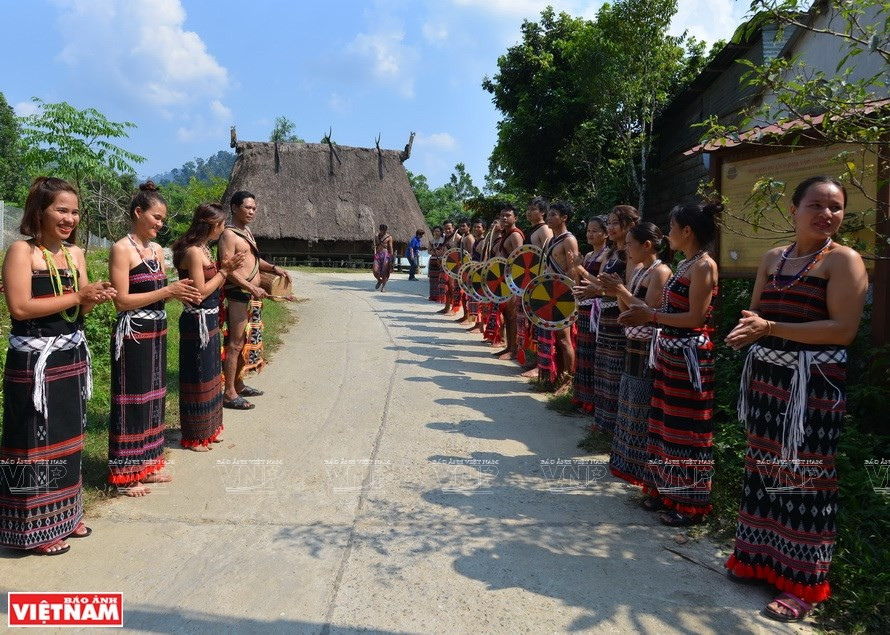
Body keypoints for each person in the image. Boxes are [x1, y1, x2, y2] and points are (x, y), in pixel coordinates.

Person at [723, 177, 866, 623]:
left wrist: (769, 330)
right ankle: (760, 559)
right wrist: (748, 331)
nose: (827, 214)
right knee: (765, 467)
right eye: (817, 205)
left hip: (814, 387)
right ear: (794, 208)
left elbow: (843, 329)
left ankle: (801, 582)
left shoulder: (844, 260)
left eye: (836, 207)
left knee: (806, 476)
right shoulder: (773, 259)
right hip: (768, 381)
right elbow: (757, 316)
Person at [0, 177, 117, 555]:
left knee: (67, 437)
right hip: (34, 361)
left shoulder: (75, 254)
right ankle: (31, 528)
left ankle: (66, 514)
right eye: (61, 210)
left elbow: (78, 307)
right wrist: (79, 294)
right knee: (32, 441)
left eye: (75, 211)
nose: (70, 218)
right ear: (40, 211)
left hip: (69, 356)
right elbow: (19, 308)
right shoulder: (21, 252)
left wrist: (94, 297)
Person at [619, 201, 720, 527]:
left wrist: (650, 315)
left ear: (687, 231)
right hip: (671, 354)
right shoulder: (686, 264)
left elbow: (695, 317)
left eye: (673, 227)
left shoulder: (704, 266)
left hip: (690, 358)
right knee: (665, 425)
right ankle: (665, 490)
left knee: (686, 430)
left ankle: (689, 502)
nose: (669, 233)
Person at [107, 182, 202, 496]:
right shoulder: (122, 249)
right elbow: (121, 300)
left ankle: (147, 464)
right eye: (156, 217)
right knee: (133, 399)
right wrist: (169, 291)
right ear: (138, 212)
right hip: (134, 333)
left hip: (157, 331)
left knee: (154, 397)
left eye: (163, 219)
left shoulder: (158, 250)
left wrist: (179, 293)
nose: (161, 223)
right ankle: (125, 473)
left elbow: (160, 294)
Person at [600, 223, 671, 488]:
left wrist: (620, 291)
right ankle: (625, 460)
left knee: (642, 401)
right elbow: (627, 305)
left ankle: (640, 464)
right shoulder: (641, 270)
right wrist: (621, 292)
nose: (626, 248)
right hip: (631, 341)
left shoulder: (661, 271)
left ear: (647, 246)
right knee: (629, 397)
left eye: (630, 244)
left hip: (648, 346)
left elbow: (648, 311)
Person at [173, 203, 244, 450]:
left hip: (210, 319)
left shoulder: (204, 249)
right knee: (199, 376)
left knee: (212, 374)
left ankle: (210, 428)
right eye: (222, 224)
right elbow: (200, 292)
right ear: (212, 225)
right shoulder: (193, 251)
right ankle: (195, 435)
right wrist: (225, 272)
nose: (223, 229)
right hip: (197, 321)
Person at [218, 191, 287, 409]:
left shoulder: (246, 232)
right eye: (248, 207)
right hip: (238, 293)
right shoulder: (229, 235)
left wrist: (275, 268)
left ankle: (238, 384)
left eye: (254, 208)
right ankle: (229, 392)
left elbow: (254, 261)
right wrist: (250, 286)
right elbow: (226, 269)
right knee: (235, 343)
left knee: (245, 342)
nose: (252, 212)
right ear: (234, 208)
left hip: (250, 293)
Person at [590, 205, 639, 429]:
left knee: (616, 369)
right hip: (605, 314)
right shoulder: (610, 253)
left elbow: (628, 288)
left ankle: (612, 424)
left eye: (615, 223)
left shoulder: (631, 255)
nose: (610, 227)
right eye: (608, 223)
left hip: (619, 315)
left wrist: (597, 291)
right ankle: (601, 419)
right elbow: (601, 284)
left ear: (629, 225)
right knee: (603, 367)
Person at [537, 200, 580, 386]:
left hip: (564, 295)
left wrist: (573, 299)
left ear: (564, 218)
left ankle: (568, 382)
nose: (549, 217)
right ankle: (557, 377)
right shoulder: (551, 240)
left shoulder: (569, 240)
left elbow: (573, 271)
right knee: (554, 338)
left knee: (564, 340)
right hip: (549, 294)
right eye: (549, 214)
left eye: (553, 214)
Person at [570, 216, 609, 411]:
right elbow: (579, 283)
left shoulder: (607, 255)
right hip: (584, 306)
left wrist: (580, 269)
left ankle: (592, 399)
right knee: (583, 350)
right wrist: (576, 268)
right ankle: (581, 393)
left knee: (593, 352)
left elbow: (600, 284)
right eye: (588, 231)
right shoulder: (587, 256)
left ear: (606, 233)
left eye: (595, 230)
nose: (590, 234)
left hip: (597, 308)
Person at [519, 197, 554, 375]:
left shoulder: (545, 230)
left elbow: (550, 257)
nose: (528, 212)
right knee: (533, 325)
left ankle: (542, 366)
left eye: (533, 209)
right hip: (530, 283)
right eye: (528, 209)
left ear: (542, 212)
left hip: (542, 283)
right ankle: (535, 361)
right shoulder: (532, 230)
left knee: (541, 325)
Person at [492, 205, 524, 360]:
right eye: (502, 215)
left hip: (512, 280)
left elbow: (520, 260)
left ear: (515, 218)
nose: (504, 218)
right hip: (503, 279)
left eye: (508, 215)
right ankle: (508, 347)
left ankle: (513, 349)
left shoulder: (516, 235)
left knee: (511, 315)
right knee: (506, 313)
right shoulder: (506, 234)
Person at [466, 218, 487, 334]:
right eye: (474, 227)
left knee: (479, 301)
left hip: (479, 273)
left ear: (484, 229)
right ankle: (475, 324)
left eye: (478, 227)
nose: (476, 229)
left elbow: (484, 259)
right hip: (473, 272)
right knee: (473, 299)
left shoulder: (484, 242)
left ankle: (480, 325)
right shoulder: (475, 241)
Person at [455, 218, 475, 323]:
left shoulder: (469, 238)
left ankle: (468, 317)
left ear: (469, 227)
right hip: (462, 268)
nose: (461, 227)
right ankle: (465, 315)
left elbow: (472, 254)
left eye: (464, 226)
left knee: (466, 293)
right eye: (460, 226)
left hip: (467, 268)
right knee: (462, 293)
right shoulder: (463, 237)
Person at [438, 220, 457, 315]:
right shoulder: (446, 238)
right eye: (445, 229)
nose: (447, 230)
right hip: (446, 265)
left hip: (454, 266)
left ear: (453, 228)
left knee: (453, 287)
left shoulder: (457, 237)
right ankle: (447, 307)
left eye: (449, 228)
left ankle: (454, 308)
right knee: (447, 287)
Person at [372, 223, 394, 291]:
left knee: (385, 271)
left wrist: (391, 257)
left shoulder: (389, 237)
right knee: (375, 270)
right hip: (378, 255)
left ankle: (383, 287)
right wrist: (373, 247)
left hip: (385, 255)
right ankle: (379, 280)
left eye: (384, 230)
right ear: (380, 230)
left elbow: (391, 248)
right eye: (382, 230)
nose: (383, 232)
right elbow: (373, 246)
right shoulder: (376, 236)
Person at [428, 226, 446, 302]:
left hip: (441, 261)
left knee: (440, 279)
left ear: (441, 232)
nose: (436, 233)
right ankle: (433, 296)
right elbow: (429, 251)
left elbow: (444, 250)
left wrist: (440, 253)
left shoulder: (443, 240)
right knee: (433, 279)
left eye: (438, 231)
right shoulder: (431, 241)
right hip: (433, 261)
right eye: (435, 231)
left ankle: (440, 296)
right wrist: (434, 252)